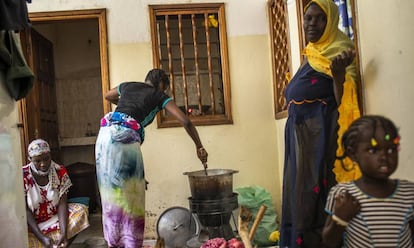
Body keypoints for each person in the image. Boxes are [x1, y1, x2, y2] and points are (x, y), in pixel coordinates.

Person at [95, 68, 208, 247]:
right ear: (162, 84)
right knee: (132, 197)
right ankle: (131, 244)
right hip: (125, 138)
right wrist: (199, 146)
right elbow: (185, 120)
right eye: (165, 88)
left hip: (104, 137)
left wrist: (123, 103)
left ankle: (114, 243)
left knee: (111, 194)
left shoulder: (128, 86)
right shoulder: (158, 95)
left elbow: (108, 95)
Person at [279, 0, 361, 247]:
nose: (311, 23)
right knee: (300, 200)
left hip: (321, 142)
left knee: (317, 202)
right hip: (301, 142)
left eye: (319, 18)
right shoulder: (312, 53)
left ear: (331, 21)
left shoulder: (340, 50)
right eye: (308, 18)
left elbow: (345, 101)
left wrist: (337, 76)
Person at [322, 115, 414, 247]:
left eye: (391, 149)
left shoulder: (409, 193)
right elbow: (328, 243)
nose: (384, 157)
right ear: (353, 154)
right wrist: (340, 219)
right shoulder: (343, 194)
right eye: (373, 150)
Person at [23, 139, 90, 248]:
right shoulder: (24, 175)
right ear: (30, 159)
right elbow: (25, 211)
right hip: (33, 225)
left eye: (46, 159)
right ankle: (45, 241)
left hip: (54, 218)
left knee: (81, 211)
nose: (43, 164)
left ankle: (61, 242)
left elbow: (62, 203)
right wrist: (41, 237)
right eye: (37, 161)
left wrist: (64, 233)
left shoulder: (59, 170)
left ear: (50, 155)